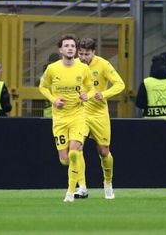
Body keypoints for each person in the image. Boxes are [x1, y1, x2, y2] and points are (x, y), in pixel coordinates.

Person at [39, 34, 95, 203]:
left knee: (74, 152)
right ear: (60, 50)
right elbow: (43, 87)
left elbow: (91, 88)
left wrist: (87, 96)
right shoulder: (52, 69)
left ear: (75, 50)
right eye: (67, 46)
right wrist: (53, 100)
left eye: (72, 46)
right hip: (59, 119)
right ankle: (80, 184)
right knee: (64, 159)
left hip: (78, 115)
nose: (70, 48)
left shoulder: (83, 68)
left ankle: (71, 192)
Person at [76, 38, 126, 200]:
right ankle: (82, 186)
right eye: (80, 53)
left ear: (94, 52)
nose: (83, 57)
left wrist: (104, 94)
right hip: (81, 113)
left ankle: (108, 182)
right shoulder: (74, 65)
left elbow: (120, 84)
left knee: (103, 151)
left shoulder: (103, 65)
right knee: (77, 148)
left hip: (99, 114)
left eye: (87, 54)